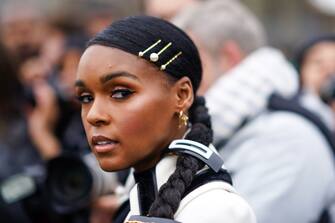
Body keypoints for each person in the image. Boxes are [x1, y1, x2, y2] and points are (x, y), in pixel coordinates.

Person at [75, 15, 256, 222]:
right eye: (86, 97)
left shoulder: (216, 211)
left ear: (181, 95)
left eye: (121, 93)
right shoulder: (132, 199)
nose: (93, 115)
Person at [173, 0, 335, 223]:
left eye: (191, 64)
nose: (180, 80)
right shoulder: (243, 125)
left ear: (229, 56)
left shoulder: (287, 139)